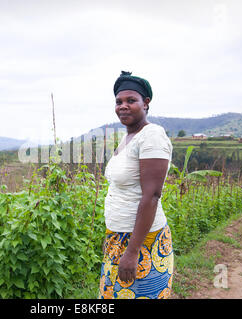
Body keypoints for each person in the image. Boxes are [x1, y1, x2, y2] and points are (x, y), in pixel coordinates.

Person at [99, 71, 174, 299]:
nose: (123, 106)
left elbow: (151, 196)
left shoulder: (152, 136)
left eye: (131, 101)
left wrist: (132, 252)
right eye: (119, 102)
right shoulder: (128, 138)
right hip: (118, 237)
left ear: (146, 103)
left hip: (142, 243)